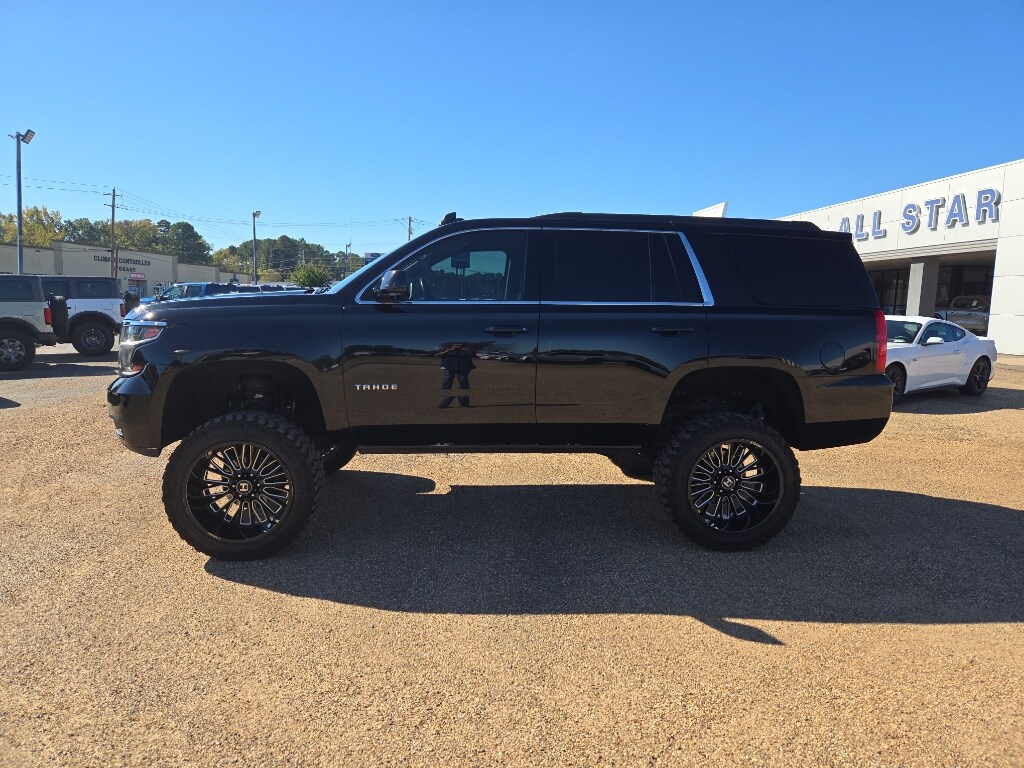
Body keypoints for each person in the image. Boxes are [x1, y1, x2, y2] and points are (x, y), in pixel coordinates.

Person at [438, 343, 474, 408]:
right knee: (446, 381)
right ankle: (447, 397)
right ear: (452, 345)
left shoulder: (466, 350)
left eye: (459, 345)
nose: (457, 346)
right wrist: (449, 350)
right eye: (456, 345)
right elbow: (438, 355)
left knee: (464, 382)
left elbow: (473, 355)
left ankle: (464, 401)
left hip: (463, 367)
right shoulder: (447, 349)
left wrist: (466, 350)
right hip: (448, 366)